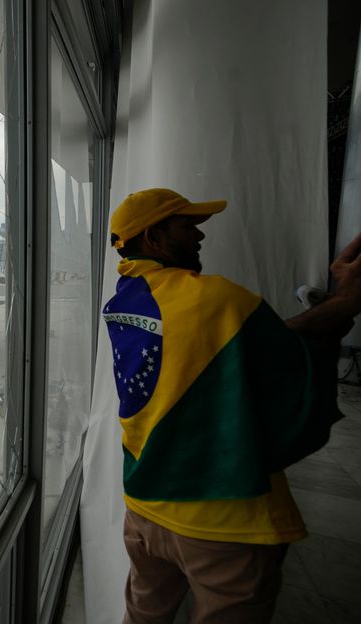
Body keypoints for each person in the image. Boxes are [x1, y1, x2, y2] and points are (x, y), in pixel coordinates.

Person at [104, 188, 361, 624]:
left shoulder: (124, 302)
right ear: (154, 237)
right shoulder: (218, 299)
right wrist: (345, 302)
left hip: (144, 509)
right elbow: (288, 358)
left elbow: (231, 346)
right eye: (188, 227)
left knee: (143, 616)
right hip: (221, 520)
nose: (200, 237)